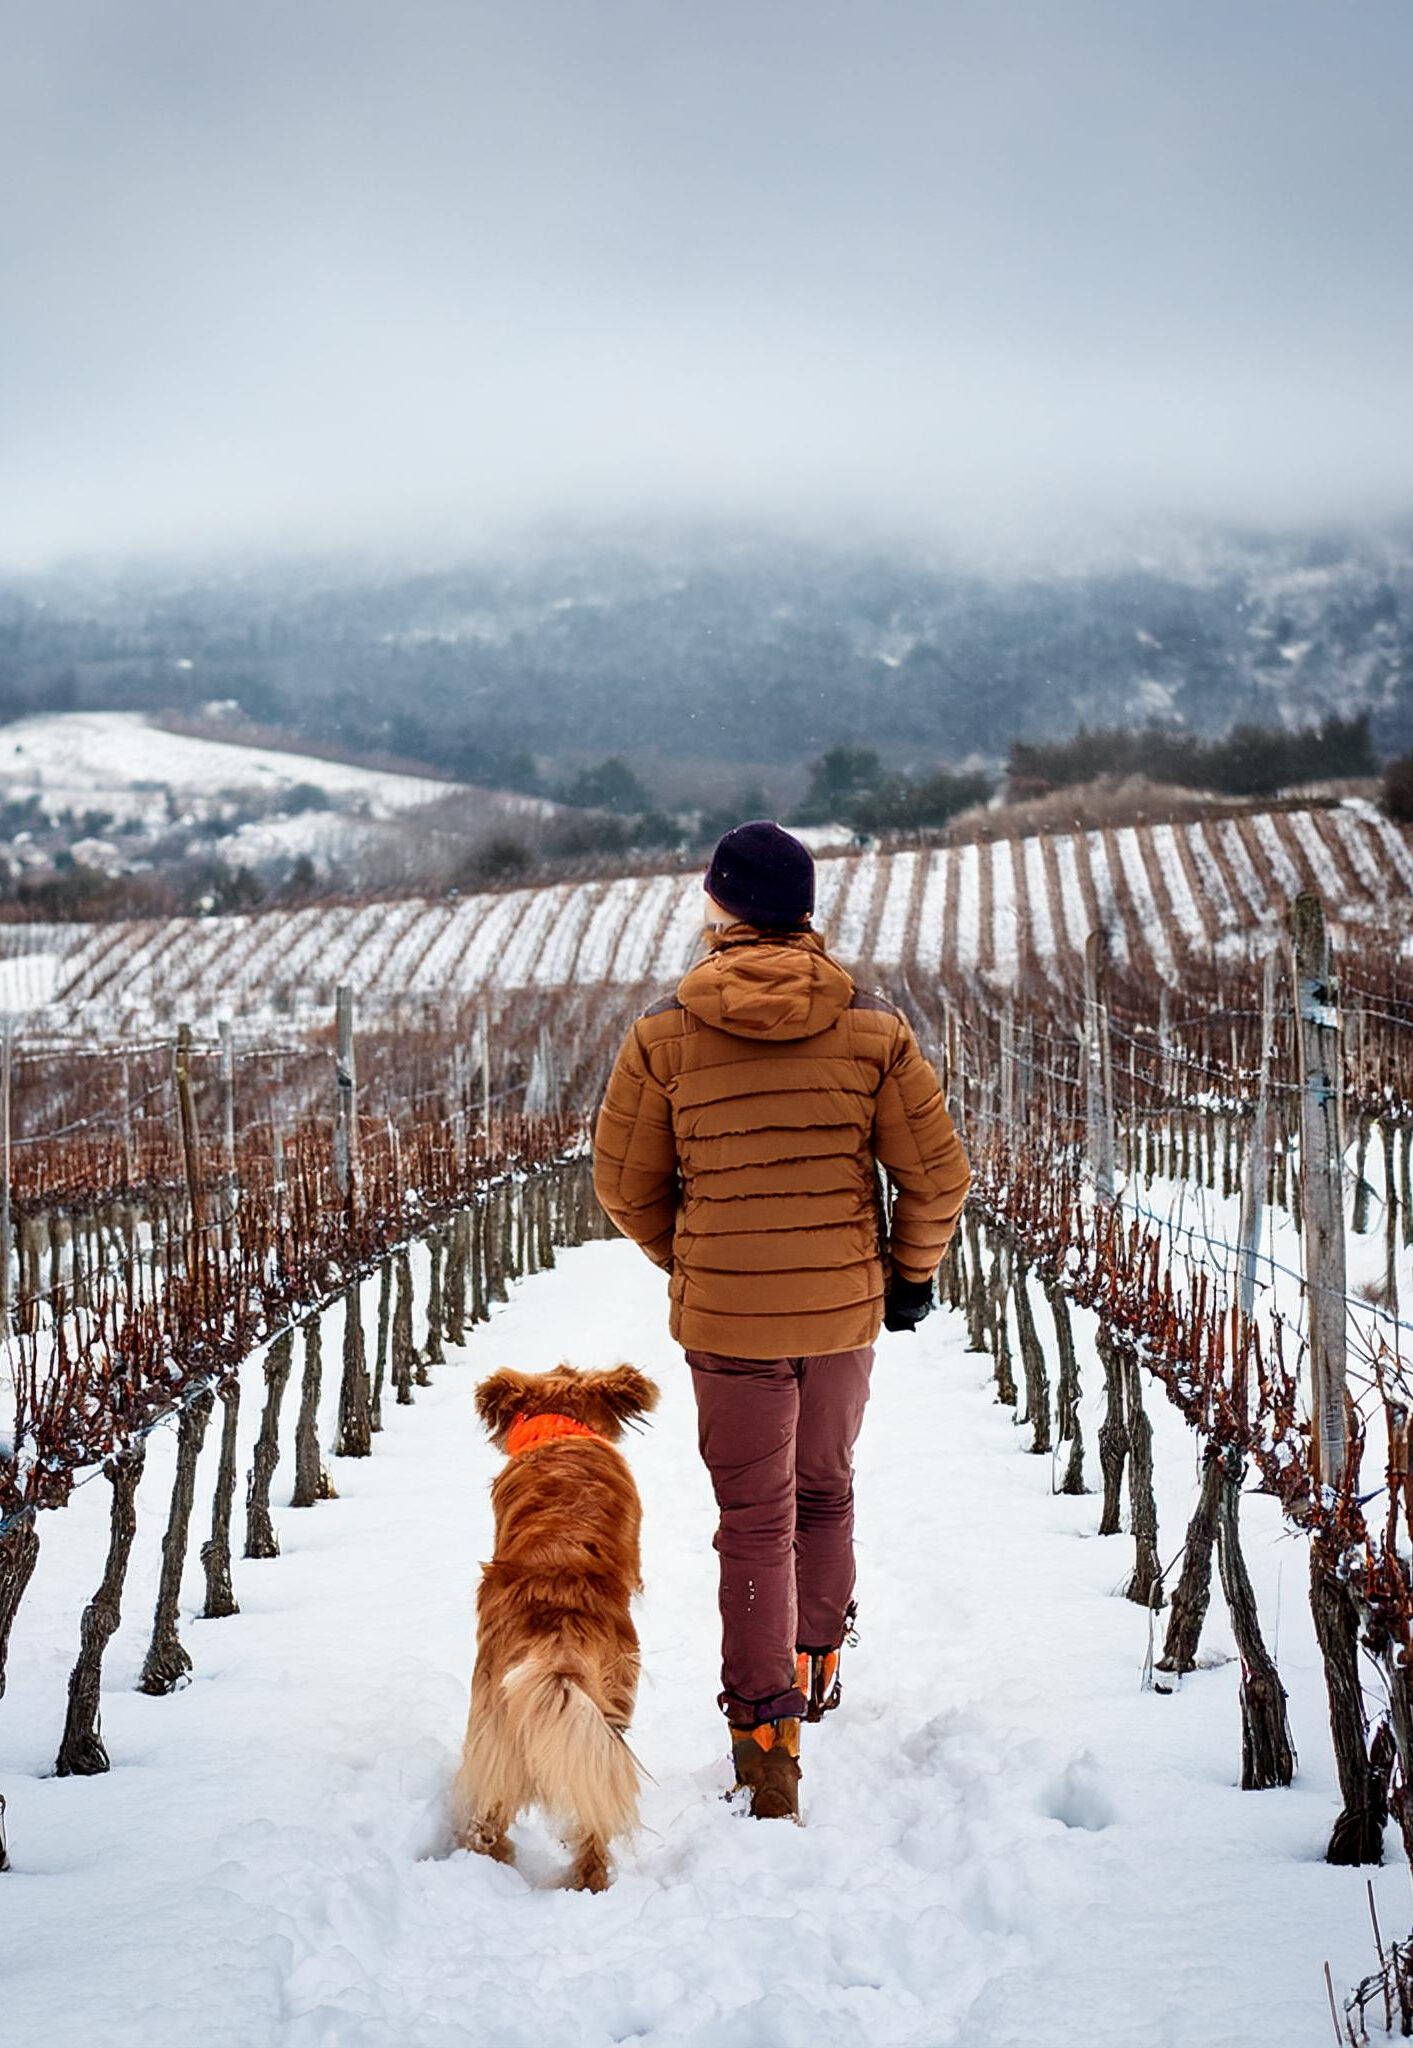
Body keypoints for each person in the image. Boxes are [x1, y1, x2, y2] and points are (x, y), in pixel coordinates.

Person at [592, 820, 971, 1820]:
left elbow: (623, 1187)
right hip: (843, 1306)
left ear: (721, 907)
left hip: (728, 1321)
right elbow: (938, 1177)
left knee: (752, 1519)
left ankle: (766, 1747)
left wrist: (701, 1259)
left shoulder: (662, 1036)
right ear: (806, 911)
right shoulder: (874, 1032)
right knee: (826, 1491)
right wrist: (907, 1278)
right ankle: (820, 1659)